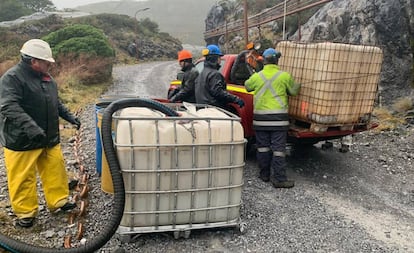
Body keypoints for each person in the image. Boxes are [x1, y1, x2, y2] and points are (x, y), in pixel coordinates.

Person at [0, 39, 80, 228]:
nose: (50, 65)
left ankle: (59, 200)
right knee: (22, 177)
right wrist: (31, 128)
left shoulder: (47, 78)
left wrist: (70, 117)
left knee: (55, 169)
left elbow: (55, 102)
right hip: (21, 140)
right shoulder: (12, 78)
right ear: (33, 61)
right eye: (46, 62)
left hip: (48, 137)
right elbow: (8, 106)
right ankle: (26, 213)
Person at [244, 48, 301, 188]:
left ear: (264, 61)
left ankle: (264, 175)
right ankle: (279, 179)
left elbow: (247, 86)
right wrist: (299, 85)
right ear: (276, 60)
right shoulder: (284, 76)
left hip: (260, 120)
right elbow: (294, 91)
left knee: (262, 148)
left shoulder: (257, 76)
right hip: (278, 120)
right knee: (278, 150)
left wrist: (254, 74)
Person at [195, 44, 245, 109]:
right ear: (215, 58)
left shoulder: (201, 74)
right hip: (214, 111)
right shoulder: (214, 74)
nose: (220, 60)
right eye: (219, 58)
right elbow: (218, 92)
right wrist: (236, 99)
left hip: (202, 110)